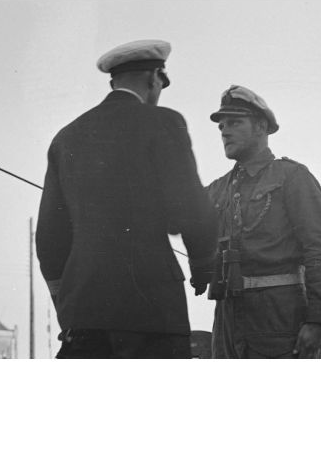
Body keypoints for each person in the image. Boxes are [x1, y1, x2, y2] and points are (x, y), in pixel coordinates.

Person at [36, 39, 218, 358]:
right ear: (153, 78)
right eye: (161, 82)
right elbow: (191, 208)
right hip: (151, 312)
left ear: (112, 82)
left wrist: (67, 305)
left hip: (83, 316)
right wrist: (203, 265)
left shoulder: (66, 137)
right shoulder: (163, 122)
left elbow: (49, 241)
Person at [206, 85, 321, 358]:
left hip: (278, 315)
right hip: (227, 319)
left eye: (234, 122)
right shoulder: (217, 189)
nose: (224, 131)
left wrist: (318, 319)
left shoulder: (291, 177)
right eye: (221, 125)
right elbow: (180, 221)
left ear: (260, 127)